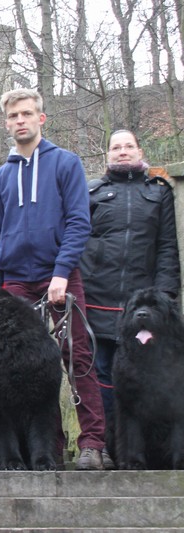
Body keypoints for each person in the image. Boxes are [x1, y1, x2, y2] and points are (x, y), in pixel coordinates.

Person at [0, 88, 107, 470]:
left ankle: (93, 443)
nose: (19, 120)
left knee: (78, 359)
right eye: (13, 116)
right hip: (15, 284)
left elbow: (78, 222)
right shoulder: (2, 176)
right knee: (27, 369)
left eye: (26, 114)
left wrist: (60, 274)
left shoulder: (66, 164)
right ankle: (47, 448)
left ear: (41, 118)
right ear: (7, 124)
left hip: (60, 278)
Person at [80, 129, 180, 468]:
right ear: (107, 154)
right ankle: (105, 446)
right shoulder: (92, 191)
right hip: (97, 300)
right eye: (115, 147)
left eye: (128, 146)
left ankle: (148, 453)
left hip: (144, 307)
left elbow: (167, 247)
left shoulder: (159, 193)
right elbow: (78, 241)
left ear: (139, 151)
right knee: (100, 376)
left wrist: (166, 297)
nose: (122, 152)